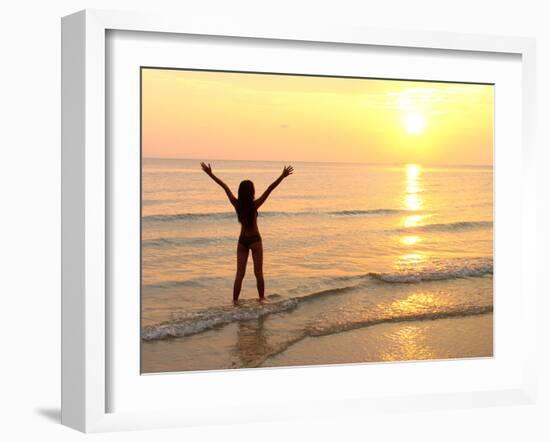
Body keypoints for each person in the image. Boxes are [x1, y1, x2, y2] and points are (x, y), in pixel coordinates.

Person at [200, 162, 294, 305]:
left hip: (242, 241)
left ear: (240, 192)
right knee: (258, 274)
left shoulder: (236, 204)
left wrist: (210, 174)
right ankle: (261, 301)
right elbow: (270, 189)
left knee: (239, 275)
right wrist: (282, 176)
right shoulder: (255, 205)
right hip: (255, 240)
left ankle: (235, 303)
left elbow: (224, 186)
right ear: (251, 192)